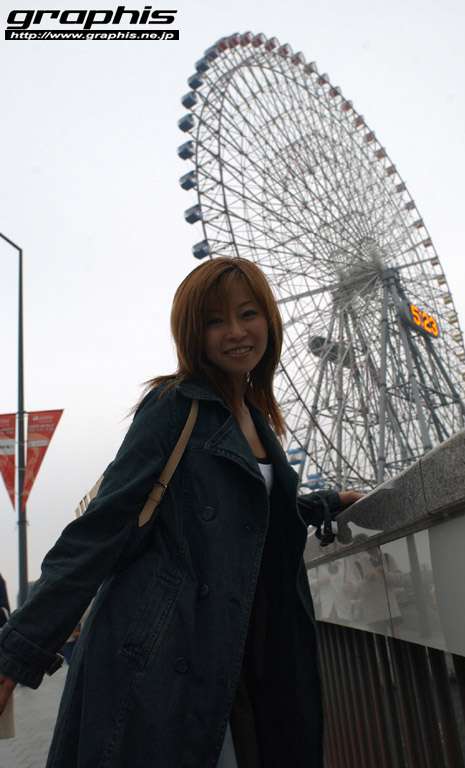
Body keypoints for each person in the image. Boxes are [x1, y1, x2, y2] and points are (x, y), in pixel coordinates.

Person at [0, 257, 361, 767]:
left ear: (269, 319)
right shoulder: (174, 406)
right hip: (171, 656)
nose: (235, 332)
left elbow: (243, 515)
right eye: (215, 321)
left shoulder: (255, 417)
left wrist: (322, 503)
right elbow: (99, 531)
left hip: (249, 654)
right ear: (193, 333)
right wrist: (15, 652)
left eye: (248, 314)